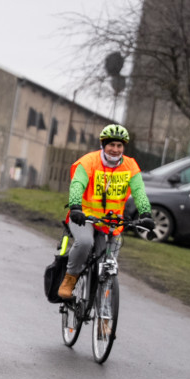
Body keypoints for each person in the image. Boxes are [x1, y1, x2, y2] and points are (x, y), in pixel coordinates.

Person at [58, 123, 152, 300]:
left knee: (108, 266)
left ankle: (104, 308)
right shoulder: (89, 161)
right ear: (103, 144)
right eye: (111, 145)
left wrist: (146, 213)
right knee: (85, 242)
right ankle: (69, 280)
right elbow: (77, 185)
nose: (115, 149)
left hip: (111, 222)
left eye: (119, 145)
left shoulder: (130, 165)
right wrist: (75, 207)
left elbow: (139, 191)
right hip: (84, 217)